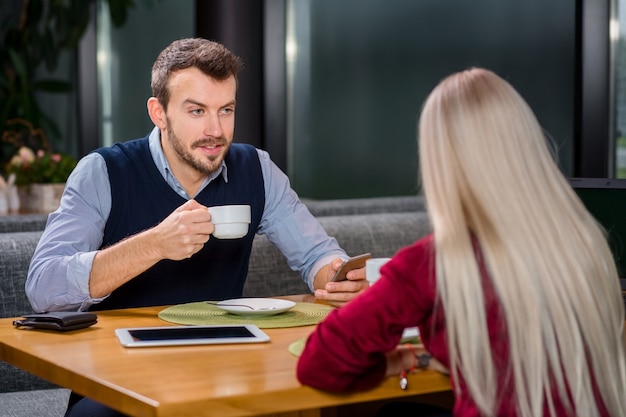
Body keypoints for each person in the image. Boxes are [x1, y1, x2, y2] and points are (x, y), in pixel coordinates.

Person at [25, 38, 367, 417]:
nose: (215, 130)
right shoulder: (103, 172)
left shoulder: (257, 169)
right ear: (159, 112)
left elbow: (317, 254)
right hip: (122, 378)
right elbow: (43, 288)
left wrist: (336, 276)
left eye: (226, 110)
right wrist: (155, 244)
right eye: (196, 111)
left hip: (228, 368)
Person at [296, 68, 626, 417]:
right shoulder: (587, 242)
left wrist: (405, 358)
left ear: (441, 162)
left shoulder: (438, 262)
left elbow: (320, 362)